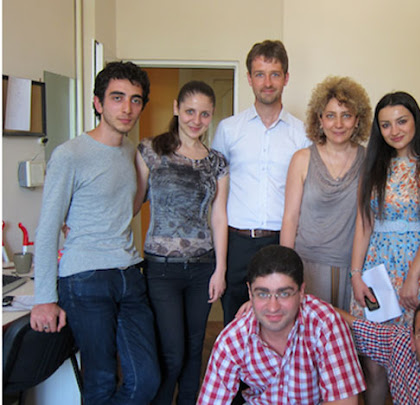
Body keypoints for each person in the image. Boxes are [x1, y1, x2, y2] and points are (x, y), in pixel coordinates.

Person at [30, 61, 160, 404]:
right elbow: (47, 228)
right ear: (97, 103)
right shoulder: (70, 154)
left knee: (146, 380)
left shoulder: (131, 151)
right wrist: (45, 298)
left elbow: (125, 208)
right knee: (100, 381)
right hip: (85, 278)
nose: (127, 108)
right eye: (117, 97)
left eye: (135, 99)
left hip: (129, 273)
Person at [350, 91, 420, 404]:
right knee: (375, 361)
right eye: (386, 125)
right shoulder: (374, 166)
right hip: (377, 271)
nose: (394, 130)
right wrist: (355, 274)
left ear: (415, 121)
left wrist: (413, 276)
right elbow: (364, 223)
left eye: (401, 121)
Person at [134, 81, 229, 405]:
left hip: (203, 268)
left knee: (193, 351)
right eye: (189, 111)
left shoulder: (217, 162)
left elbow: (219, 217)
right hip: (161, 270)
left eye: (204, 114)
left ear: (211, 115)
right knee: (171, 353)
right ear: (176, 108)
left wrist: (220, 270)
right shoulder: (151, 151)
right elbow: (131, 202)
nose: (196, 120)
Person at [212, 39, 309, 325]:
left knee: (281, 323)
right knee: (235, 324)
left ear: (286, 78)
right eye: (260, 74)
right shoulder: (229, 130)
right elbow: (215, 192)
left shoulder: (302, 134)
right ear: (249, 78)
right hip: (237, 244)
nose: (267, 83)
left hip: (282, 241)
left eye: (275, 74)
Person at [197, 245, 365, 404]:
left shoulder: (326, 323)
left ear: (301, 292)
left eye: (284, 294)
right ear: (250, 292)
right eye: (263, 294)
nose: (273, 307)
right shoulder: (232, 340)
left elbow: (344, 401)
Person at [281, 76, 371, 310]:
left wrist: (356, 272)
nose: (338, 124)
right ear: (320, 119)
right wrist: (286, 270)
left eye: (346, 115)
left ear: (357, 120)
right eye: (330, 115)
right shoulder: (302, 159)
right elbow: (290, 218)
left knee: (348, 332)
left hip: (353, 267)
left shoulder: (368, 161)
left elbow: (366, 220)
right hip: (306, 266)